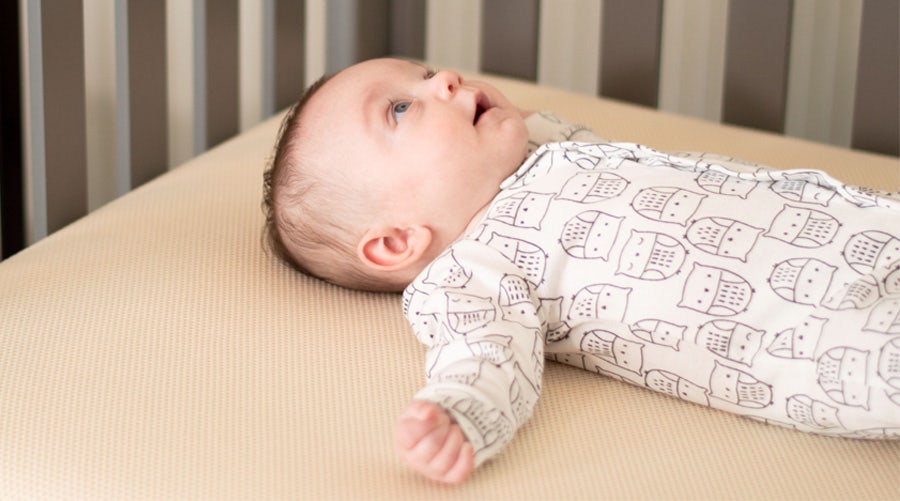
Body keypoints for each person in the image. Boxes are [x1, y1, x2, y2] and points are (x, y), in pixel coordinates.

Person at [262, 57, 900, 484]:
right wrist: (459, 412)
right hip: (826, 335)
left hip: (863, 228)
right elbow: (484, 354)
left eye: (426, 73)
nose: (446, 80)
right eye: (400, 110)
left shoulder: (548, 144)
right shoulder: (470, 272)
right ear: (397, 240)